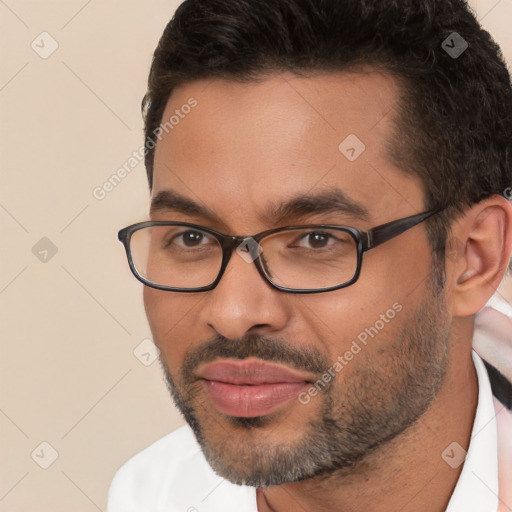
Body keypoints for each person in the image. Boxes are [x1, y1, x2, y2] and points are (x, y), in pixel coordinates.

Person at [108, 1, 512, 510]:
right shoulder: (152, 495)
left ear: (474, 258)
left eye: (317, 240)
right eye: (192, 238)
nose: (232, 314)